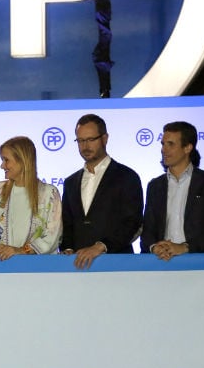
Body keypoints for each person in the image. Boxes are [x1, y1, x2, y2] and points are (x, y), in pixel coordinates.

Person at [60, 114, 143, 268]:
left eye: (91, 139)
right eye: (80, 140)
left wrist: (101, 246)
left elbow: (132, 222)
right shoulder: (71, 182)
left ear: (105, 138)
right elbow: (66, 223)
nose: (85, 146)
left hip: (117, 264)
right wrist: (68, 249)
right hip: (77, 266)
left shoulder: (127, 176)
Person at [140, 121, 204, 259]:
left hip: (200, 263)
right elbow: (148, 230)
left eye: (170, 144)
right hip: (162, 262)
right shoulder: (155, 186)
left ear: (188, 148)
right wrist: (155, 248)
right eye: (163, 144)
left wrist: (185, 247)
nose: (163, 149)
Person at [0, 136, 62, 260]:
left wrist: (21, 251)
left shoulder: (49, 193)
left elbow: (52, 236)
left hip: (40, 271)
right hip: (2, 268)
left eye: (6, 160)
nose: (2, 165)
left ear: (23, 161)